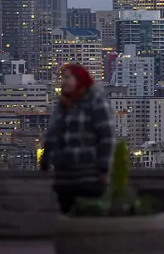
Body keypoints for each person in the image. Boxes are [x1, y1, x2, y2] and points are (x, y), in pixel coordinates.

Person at [40, 64, 115, 214]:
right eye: (62, 78)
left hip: (88, 176)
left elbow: (106, 137)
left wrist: (103, 168)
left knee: (88, 219)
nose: (63, 82)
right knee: (68, 220)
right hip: (64, 177)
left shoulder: (94, 101)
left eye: (67, 77)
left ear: (79, 79)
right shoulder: (62, 104)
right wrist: (45, 160)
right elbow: (53, 134)